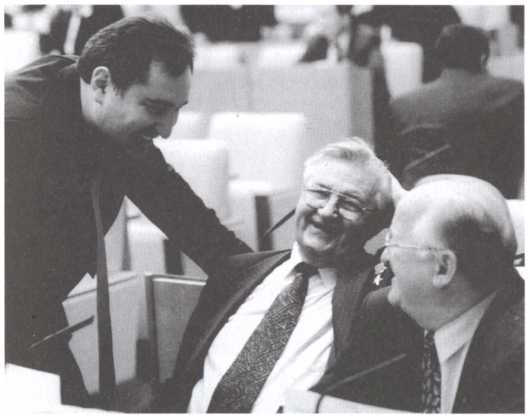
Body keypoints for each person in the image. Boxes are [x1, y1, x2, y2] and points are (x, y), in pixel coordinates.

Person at [5, 16, 251, 406]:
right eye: (156, 107)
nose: (167, 129)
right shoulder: (16, 129)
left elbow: (191, 222)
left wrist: (269, 278)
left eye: (176, 110)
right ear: (102, 84)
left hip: (31, 307)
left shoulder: (109, 118)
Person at [153, 138, 405, 412]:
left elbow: (437, 248)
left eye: (350, 204)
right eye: (319, 192)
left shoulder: (377, 295)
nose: (327, 211)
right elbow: (169, 199)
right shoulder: (238, 270)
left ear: (377, 223)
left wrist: (404, 203)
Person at [316, 175, 523, 413]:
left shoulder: (519, 356)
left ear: (443, 267)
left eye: (393, 242)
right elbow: (320, 402)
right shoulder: (383, 313)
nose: (384, 257)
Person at [388, 24, 524, 198]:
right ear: (483, 57)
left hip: (422, 202)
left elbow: (392, 170)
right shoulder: (512, 93)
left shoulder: (402, 105)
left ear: (440, 57)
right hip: (489, 203)